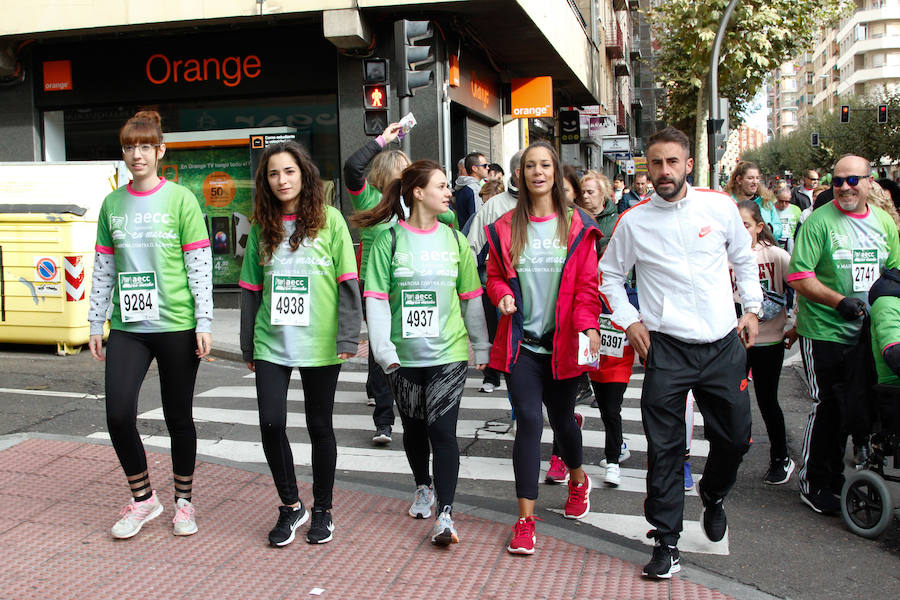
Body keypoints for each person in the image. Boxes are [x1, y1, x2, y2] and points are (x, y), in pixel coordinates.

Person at [598, 127, 762, 579]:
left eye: (672, 162)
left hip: (723, 345)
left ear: (688, 164)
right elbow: (608, 275)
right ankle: (666, 541)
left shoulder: (719, 206)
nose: (664, 172)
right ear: (645, 168)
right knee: (666, 449)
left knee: (735, 438)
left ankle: (713, 493)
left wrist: (751, 309)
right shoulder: (633, 221)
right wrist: (628, 320)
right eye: (656, 163)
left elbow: (745, 260)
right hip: (667, 349)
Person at [88, 110, 213, 539]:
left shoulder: (181, 199)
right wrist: (94, 321)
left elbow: (199, 264)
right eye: (129, 146)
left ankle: (183, 503)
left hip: (177, 323)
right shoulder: (112, 204)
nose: (136, 154)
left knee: (179, 417)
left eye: (144, 147)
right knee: (118, 414)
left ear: (160, 151)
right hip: (129, 325)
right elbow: (104, 267)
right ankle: (144, 500)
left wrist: (204, 319)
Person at [354, 159, 490, 546]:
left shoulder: (455, 240)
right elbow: (376, 298)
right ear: (418, 192)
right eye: (442, 186)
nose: (450, 192)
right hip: (403, 356)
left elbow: (471, 297)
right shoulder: (389, 240)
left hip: (448, 352)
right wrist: (382, 350)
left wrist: (480, 345)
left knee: (441, 430)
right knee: (413, 429)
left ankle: (446, 513)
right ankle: (423, 486)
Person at [240, 141, 361, 546]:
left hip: (321, 341)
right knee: (271, 423)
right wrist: (247, 343)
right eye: (273, 173)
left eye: (289, 171)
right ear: (265, 181)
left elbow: (347, 284)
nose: (281, 180)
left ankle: (323, 510)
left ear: (304, 174)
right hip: (271, 341)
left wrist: (348, 334)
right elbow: (250, 290)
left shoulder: (331, 221)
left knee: (319, 425)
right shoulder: (261, 227)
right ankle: (292, 507)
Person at [484, 141, 602, 555]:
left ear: (556, 172)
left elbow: (588, 287)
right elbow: (494, 275)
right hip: (523, 347)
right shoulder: (503, 227)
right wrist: (500, 294)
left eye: (545, 165)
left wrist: (588, 328)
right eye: (529, 166)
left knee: (563, 421)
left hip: (564, 346)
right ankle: (524, 520)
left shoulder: (577, 225)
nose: (537, 172)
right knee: (530, 423)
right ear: (520, 176)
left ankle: (577, 477)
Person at [788, 154, 900, 515]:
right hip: (825, 329)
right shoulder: (820, 222)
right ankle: (815, 482)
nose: (845, 187)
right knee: (829, 406)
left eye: (853, 180)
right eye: (838, 181)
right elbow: (799, 276)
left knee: (860, 406)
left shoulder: (884, 222)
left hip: (869, 331)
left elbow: (895, 272)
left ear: (870, 183)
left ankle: (841, 477)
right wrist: (839, 302)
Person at [344, 123, 457, 446]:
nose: (408, 180)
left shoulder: (420, 206)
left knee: (410, 346)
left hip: (415, 283)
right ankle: (384, 420)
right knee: (382, 348)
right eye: (402, 174)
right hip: (376, 284)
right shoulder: (369, 197)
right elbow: (352, 167)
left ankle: (416, 407)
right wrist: (382, 139)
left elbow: (451, 221)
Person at [734, 200, 797, 485]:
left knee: (768, 400)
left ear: (759, 227)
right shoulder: (724, 256)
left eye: (745, 225)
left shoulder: (777, 256)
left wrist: (796, 326)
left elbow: (802, 288)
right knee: (732, 399)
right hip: (735, 341)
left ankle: (781, 457)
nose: (740, 230)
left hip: (769, 340)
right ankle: (735, 448)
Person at [467, 149, 525, 395]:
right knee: (495, 330)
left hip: (538, 287)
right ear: (520, 172)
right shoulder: (495, 206)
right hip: (499, 283)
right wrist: (469, 287)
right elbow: (471, 245)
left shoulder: (550, 204)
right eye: (535, 166)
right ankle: (492, 375)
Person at [725, 162, 782, 241]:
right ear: (739, 180)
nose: (755, 182)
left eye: (757, 178)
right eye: (750, 178)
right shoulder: (729, 202)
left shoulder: (766, 202)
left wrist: (769, 229)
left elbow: (778, 227)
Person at [453, 152, 489, 228]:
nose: (488, 168)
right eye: (485, 166)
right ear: (474, 168)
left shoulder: (462, 186)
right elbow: (477, 219)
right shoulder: (474, 189)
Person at [773, 182, 801, 253]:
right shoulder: (771, 209)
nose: (784, 204)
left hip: (789, 241)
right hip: (774, 241)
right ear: (777, 198)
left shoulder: (796, 210)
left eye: (787, 201)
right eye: (781, 201)